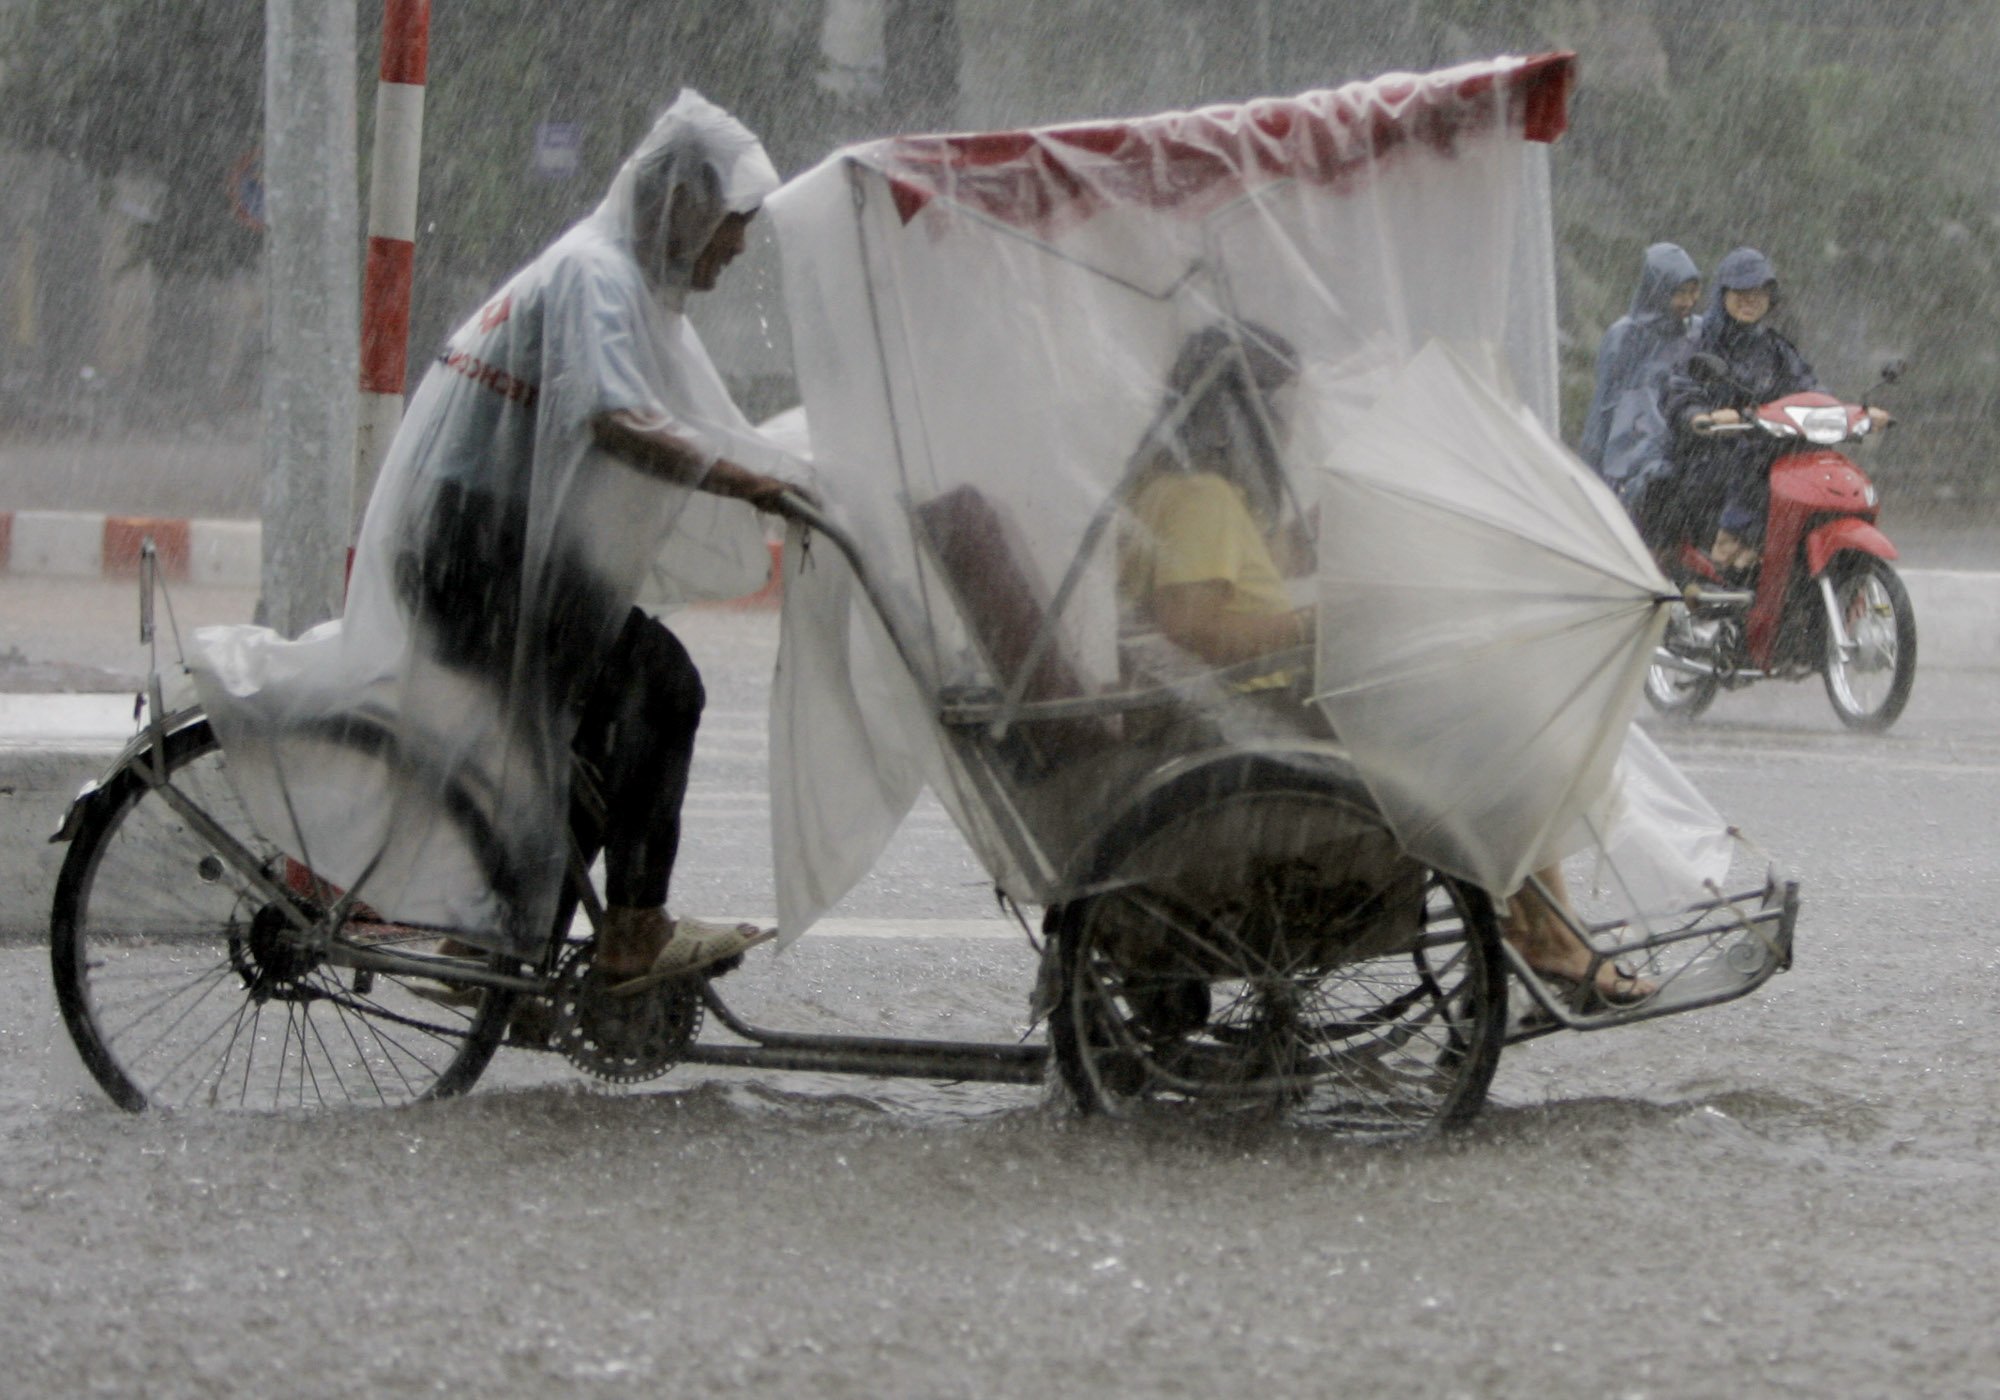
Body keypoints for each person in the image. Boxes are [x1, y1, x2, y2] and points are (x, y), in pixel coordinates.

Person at [195, 92, 799, 990]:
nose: (738, 246)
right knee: (663, 689)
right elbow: (618, 418)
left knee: (590, 737)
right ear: (681, 200)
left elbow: (685, 418)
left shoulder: (612, 278)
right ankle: (629, 933)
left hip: (474, 548)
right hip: (474, 555)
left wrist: (775, 471)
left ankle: (496, 955)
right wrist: (751, 480)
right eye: (732, 224)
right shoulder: (598, 276)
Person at [1118, 323, 1651, 1006]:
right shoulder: (1199, 499)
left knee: (1485, 713)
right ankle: (1544, 931)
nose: (1287, 432)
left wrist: (1326, 536)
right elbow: (1193, 626)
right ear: (1244, 416)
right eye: (1281, 413)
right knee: (1498, 726)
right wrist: (1321, 626)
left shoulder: (1171, 492)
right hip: (1245, 726)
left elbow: (1241, 571)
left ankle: (1536, 922)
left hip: (1234, 716)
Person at [1658, 247, 1884, 572]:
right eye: (1741, 292)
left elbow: (1810, 390)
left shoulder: (1775, 348)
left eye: (1759, 293)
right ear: (1723, 293)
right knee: (1753, 469)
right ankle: (1730, 544)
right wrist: (1700, 416)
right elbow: (1680, 391)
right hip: (1710, 455)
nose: (1750, 300)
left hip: (1768, 450)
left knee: (1810, 469)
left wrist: (1851, 414)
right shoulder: (1699, 345)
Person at [1578, 243, 1701, 514]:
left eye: (1694, 292)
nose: (1689, 302)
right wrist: (1588, 477)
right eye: (1680, 293)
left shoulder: (1697, 333)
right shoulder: (1624, 337)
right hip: (1631, 460)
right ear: (1658, 290)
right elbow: (1603, 411)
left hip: (1681, 448)